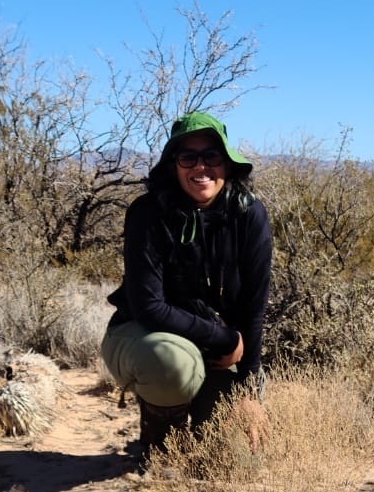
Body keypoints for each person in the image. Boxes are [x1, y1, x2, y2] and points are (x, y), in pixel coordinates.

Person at [101, 111, 272, 457]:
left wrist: (248, 391)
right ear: (173, 166)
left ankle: (202, 429)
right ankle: (162, 439)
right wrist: (224, 337)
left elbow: (254, 306)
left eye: (211, 156)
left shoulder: (249, 215)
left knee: (237, 462)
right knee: (172, 364)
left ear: (227, 163)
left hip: (216, 352)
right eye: (188, 157)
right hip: (147, 338)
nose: (201, 167)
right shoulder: (149, 214)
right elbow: (149, 306)